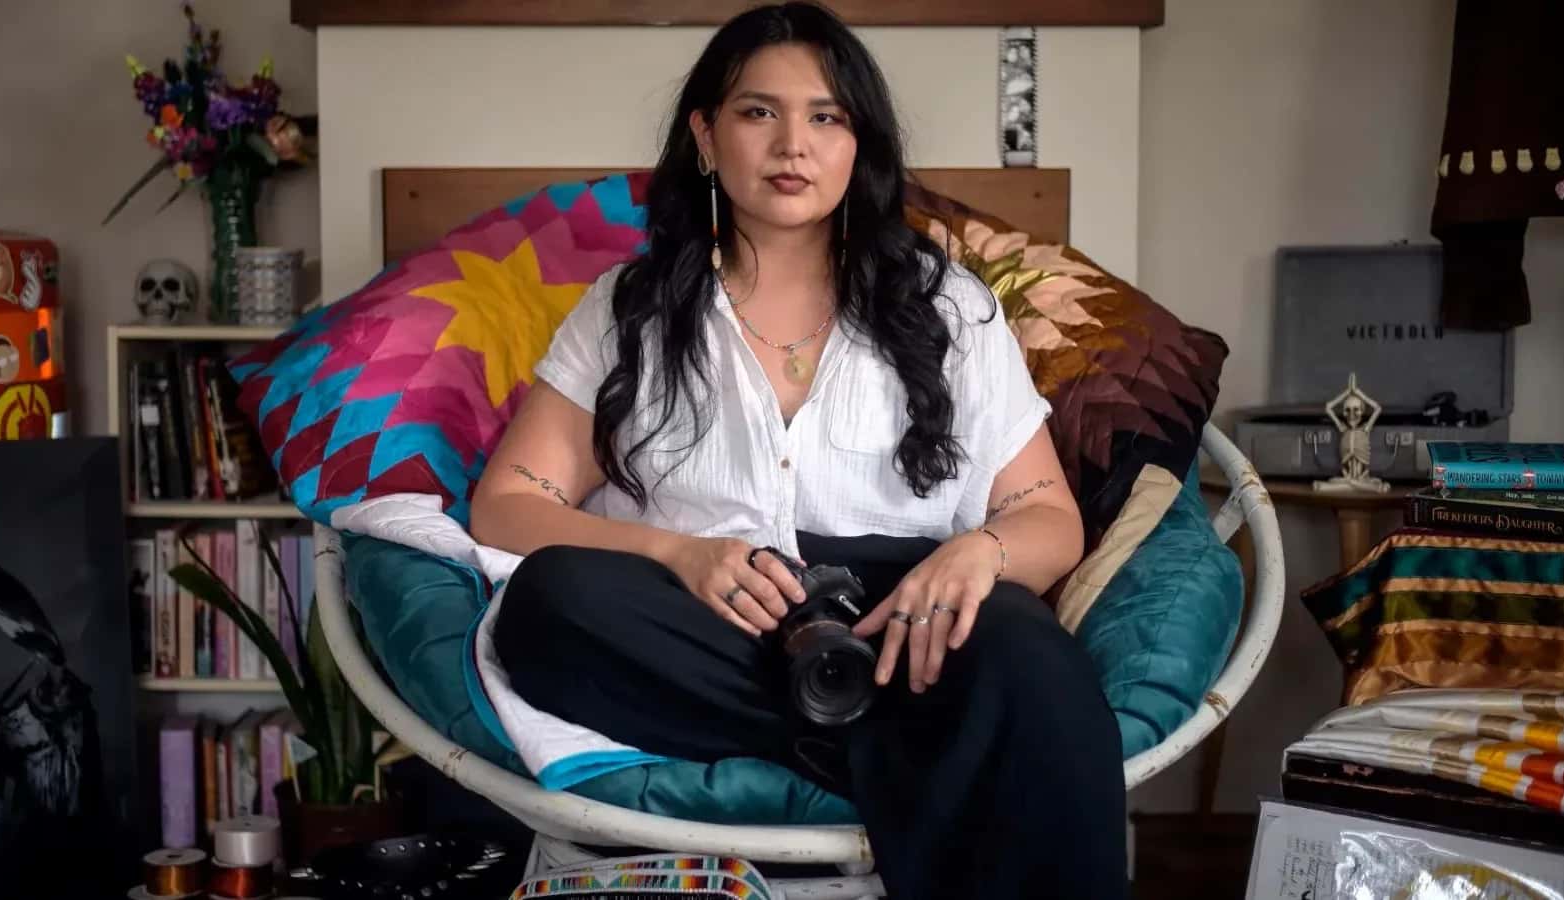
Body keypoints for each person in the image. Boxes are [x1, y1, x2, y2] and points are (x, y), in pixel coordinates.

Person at [469, 4, 1127, 897]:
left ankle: (848, 717)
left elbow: (1048, 517)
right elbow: (509, 503)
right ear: (705, 135)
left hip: (907, 626)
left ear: (859, 145)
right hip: (711, 614)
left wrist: (982, 550)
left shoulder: (949, 306)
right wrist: (678, 551)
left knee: (1028, 653)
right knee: (547, 605)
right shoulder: (627, 308)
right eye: (757, 112)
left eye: (827, 117)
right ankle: (882, 737)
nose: (794, 144)